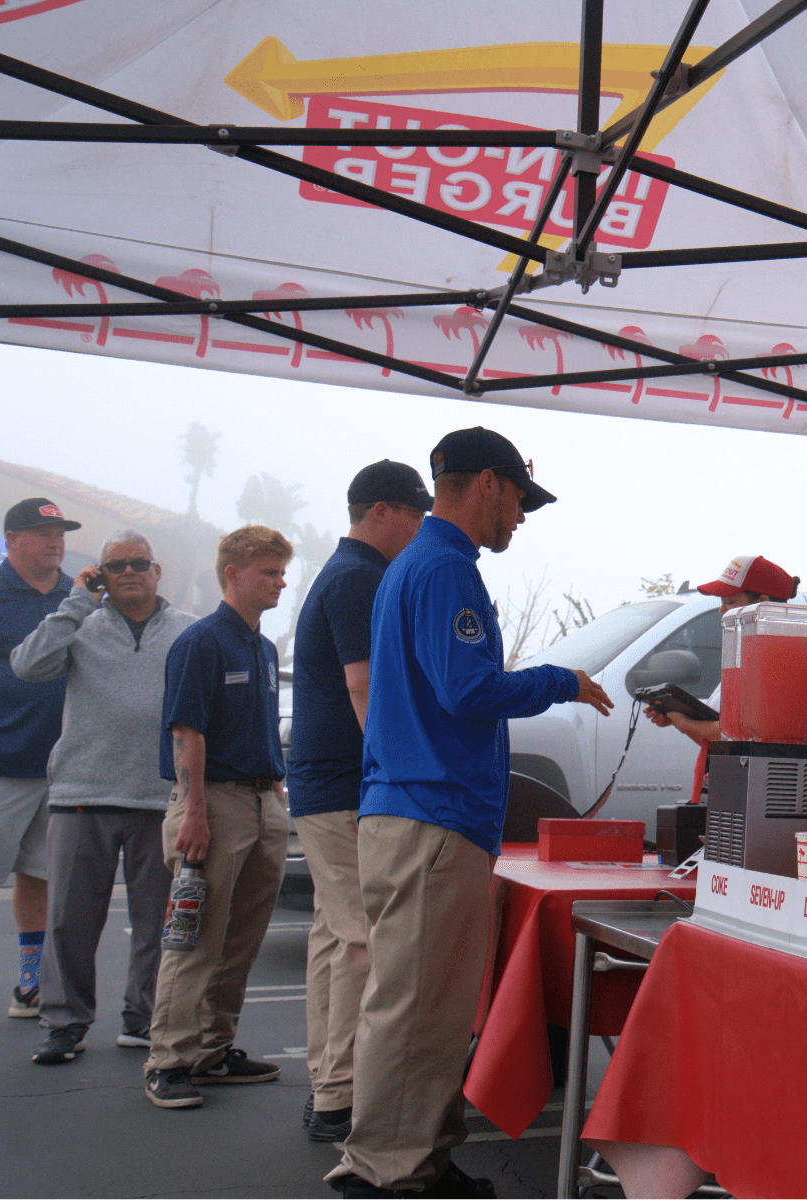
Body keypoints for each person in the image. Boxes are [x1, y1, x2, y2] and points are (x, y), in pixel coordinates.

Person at [327, 428, 613, 1199]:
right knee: (418, 1006)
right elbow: (468, 690)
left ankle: (415, 1157)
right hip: (432, 814)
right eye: (519, 499)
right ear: (487, 483)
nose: (520, 516)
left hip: (418, 811)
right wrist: (559, 680)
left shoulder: (418, 565)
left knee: (427, 1005)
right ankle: (388, 1169)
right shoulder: (445, 568)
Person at [11, 530, 196, 1064]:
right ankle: (64, 1024)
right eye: (116, 566)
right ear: (100, 576)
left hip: (159, 798)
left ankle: (143, 1019)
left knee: (156, 923)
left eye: (139, 562)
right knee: (69, 922)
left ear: (157, 571)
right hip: (82, 793)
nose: (129, 572)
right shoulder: (78, 626)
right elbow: (26, 665)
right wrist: (75, 603)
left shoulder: (189, 631)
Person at [287, 460, 431, 1141]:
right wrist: (394, 772)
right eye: (416, 514)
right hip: (348, 783)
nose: (422, 528)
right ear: (381, 511)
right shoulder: (360, 577)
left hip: (324, 782)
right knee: (359, 942)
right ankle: (341, 1096)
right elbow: (364, 685)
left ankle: (328, 1079)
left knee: (333, 933)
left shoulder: (346, 572)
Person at [144, 525, 293, 1109]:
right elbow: (187, 731)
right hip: (213, 804)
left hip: (261, 802)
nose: (280, 583)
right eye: (269, 572)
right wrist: (195, 813)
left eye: (282, 572)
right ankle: (168, 1061)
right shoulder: (201, 642)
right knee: (197, 938)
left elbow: (259, 727)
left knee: (241, 940)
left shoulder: (264, 648)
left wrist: (274, 792)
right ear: (233, 574)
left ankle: (211, 1050)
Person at [0, 498, 78, 1020]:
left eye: (60, 533)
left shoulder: (79, 597)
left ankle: (30, 981)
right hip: (1, 764)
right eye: (43, 533)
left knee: (40, 875)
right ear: (11, 540)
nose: (55, 541)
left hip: (62, 767)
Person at [646, 555, 800, 800]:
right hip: (724, 788)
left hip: (750, 795)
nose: (721, 610)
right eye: (722, 602)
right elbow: (719, 733)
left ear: (763, 603)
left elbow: (744, 734)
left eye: (730, 602)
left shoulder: (780, 661)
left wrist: (686, 723)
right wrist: (678, 716)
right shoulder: (744, 656)